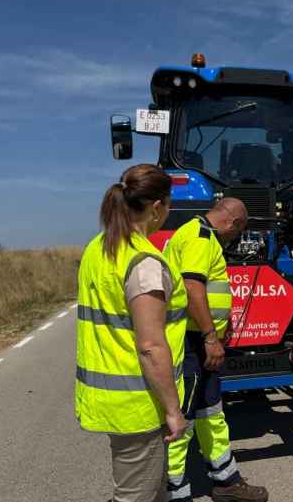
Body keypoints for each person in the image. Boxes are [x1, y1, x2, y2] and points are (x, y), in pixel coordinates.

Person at [75, 164, 189, 502]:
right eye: (169, 205)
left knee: (152, 491)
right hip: (140, 404)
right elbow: (151, 346)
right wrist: (173, 410)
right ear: (156, 208)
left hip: (114, 399)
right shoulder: (145, 263)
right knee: (134, 496)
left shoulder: (98, 248)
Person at [165, 199, 269, 502]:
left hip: (201, 342)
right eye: (237, 232)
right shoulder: (200, 237)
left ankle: (226, 480)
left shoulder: (200, 234)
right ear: (233, 222)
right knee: (180, 419)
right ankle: (174, 491)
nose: (234, 239)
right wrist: (211, 336)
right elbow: (192, 287)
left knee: (211, 412)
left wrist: (220, 329)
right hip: (192, 342)